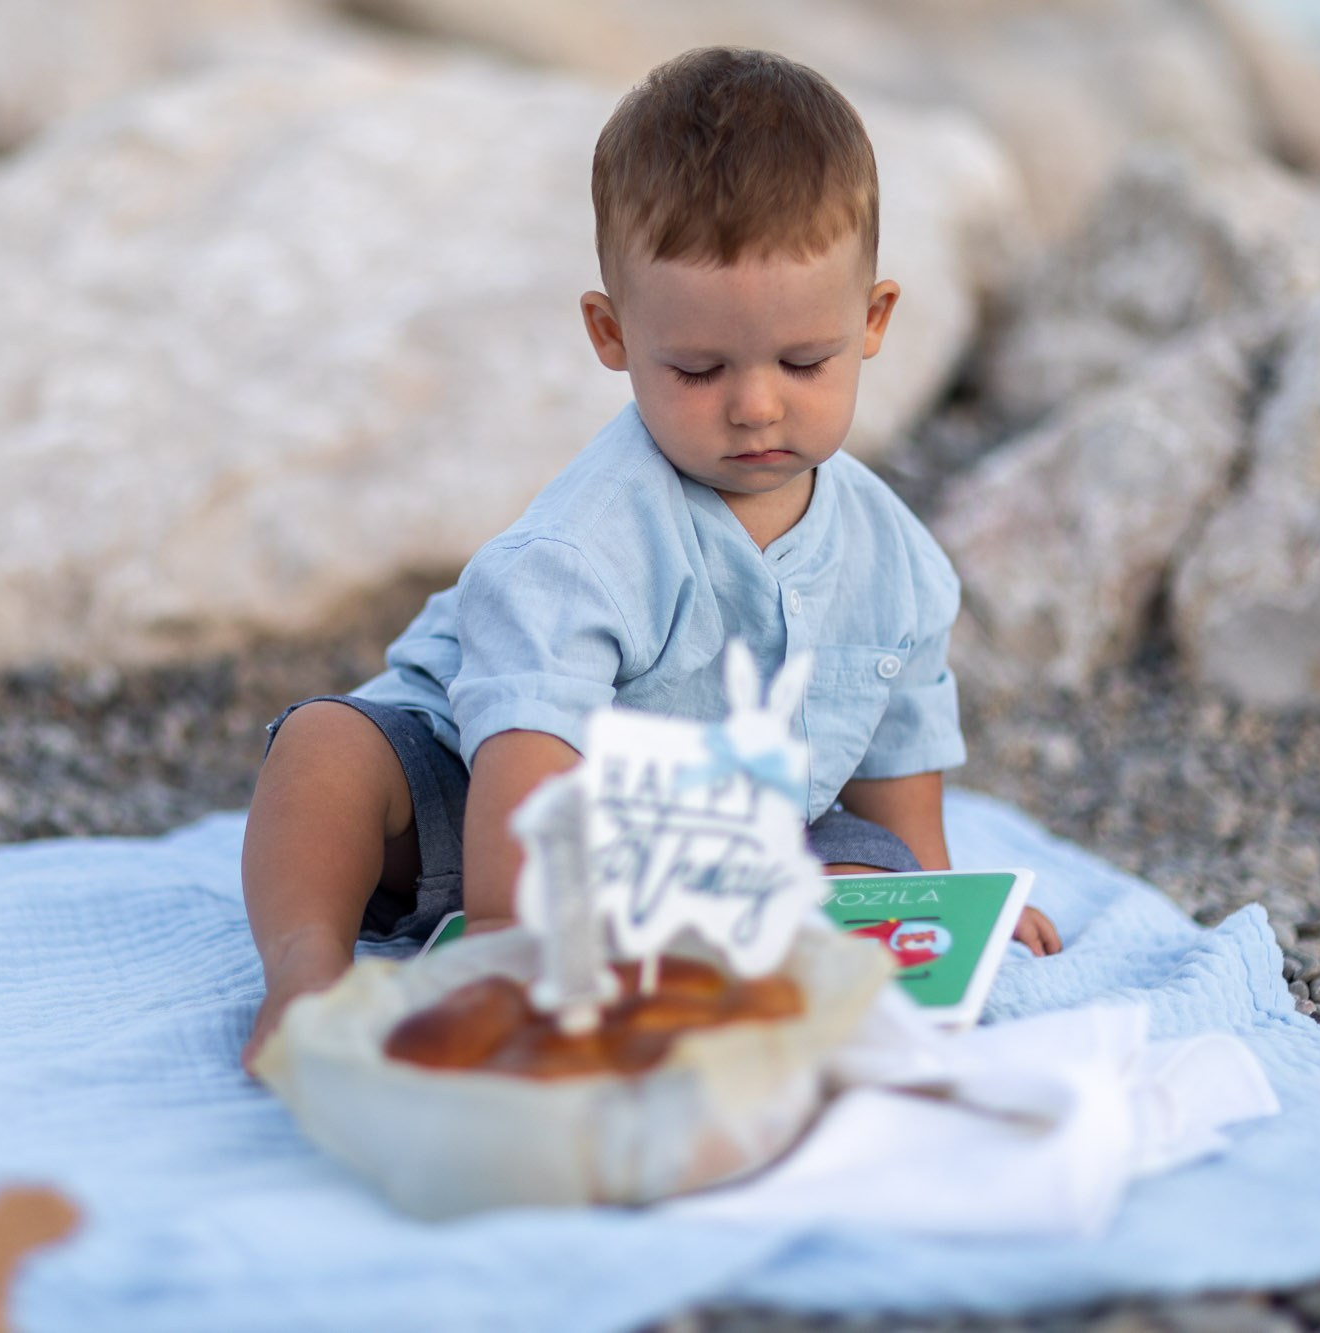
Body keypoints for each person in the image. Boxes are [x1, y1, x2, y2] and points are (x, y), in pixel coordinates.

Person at [239, 46, 1061, 1073]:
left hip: (731, 837)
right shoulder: (584, 543)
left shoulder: (894, 557)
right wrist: (509, 941)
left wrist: (942, 904)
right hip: (478, 801)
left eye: (803, 362)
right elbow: (525, 753)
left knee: (863, 864)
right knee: (323, 751)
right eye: (697, 368)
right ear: (611, 332)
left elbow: (898, 758)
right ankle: (302, 968)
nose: (754, 403)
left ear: (872, 321)